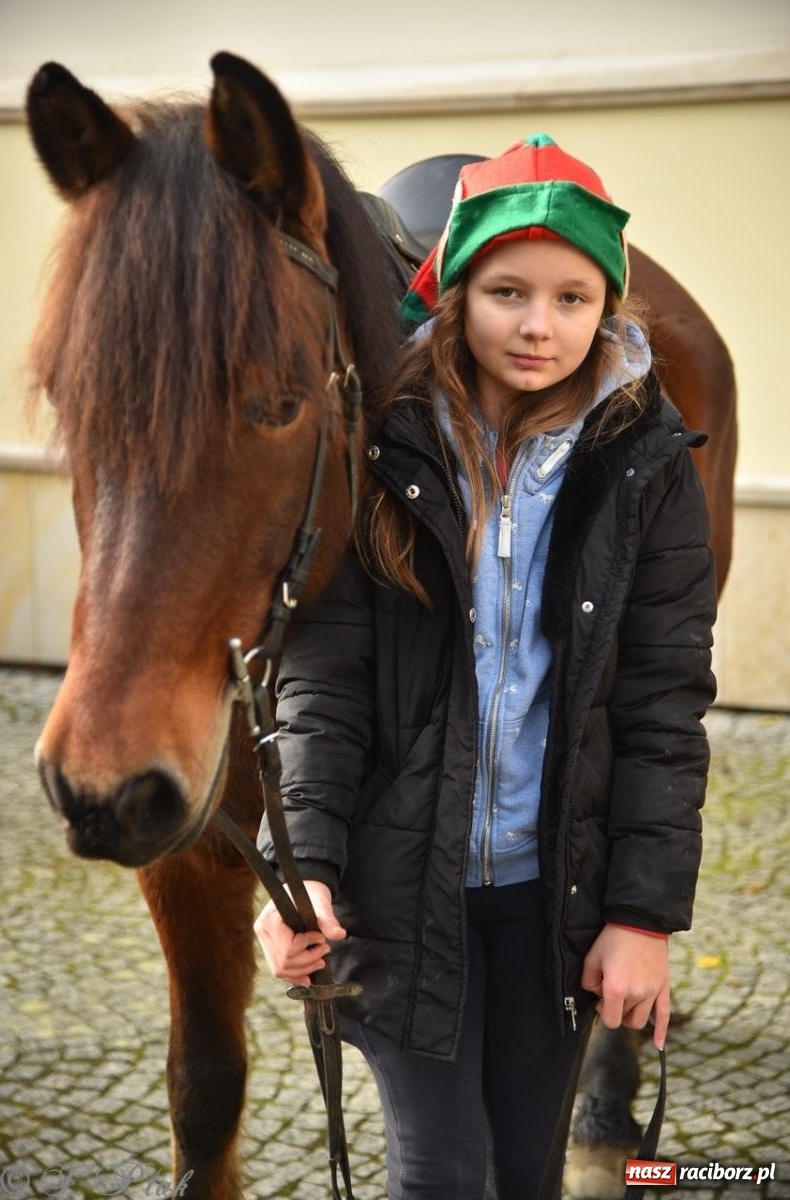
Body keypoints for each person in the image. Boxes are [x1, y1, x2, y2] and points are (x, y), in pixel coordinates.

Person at [255, 133, 717, 1199]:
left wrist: (642, 918)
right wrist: (308, 870)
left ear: (608, 305)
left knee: (525, 1172)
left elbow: (661, 708)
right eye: (507, 290)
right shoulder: (389, 445)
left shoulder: (649, 467)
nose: (539, 325)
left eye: (571, 296)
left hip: (556, 901)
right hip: (400, 893)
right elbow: (324, 682)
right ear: (456, 292)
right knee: (443, 1178)